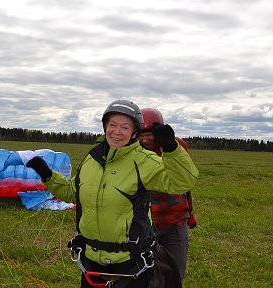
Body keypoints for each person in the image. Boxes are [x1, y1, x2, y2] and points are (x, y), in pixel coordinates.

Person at [26, 100, 199, 288]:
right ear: (105, 127)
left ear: (134, 132)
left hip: (130, 264)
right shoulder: (92, 159)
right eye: (112, 125)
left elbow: (181, 182)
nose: (117, 132)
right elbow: (72, 193)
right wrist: (48, 175)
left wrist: (171, 148)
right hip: (91, 263)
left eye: (125, 127)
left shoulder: (144, 160)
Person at [140, 108, 197, 288]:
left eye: (149, 134)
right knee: (149, 272)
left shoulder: (175, 146)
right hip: (147, 223)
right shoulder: (135, 152)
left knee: (176, 270)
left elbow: (184, 184)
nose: (145, 139)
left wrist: (191, 213)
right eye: (142, 134)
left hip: (175, 219)